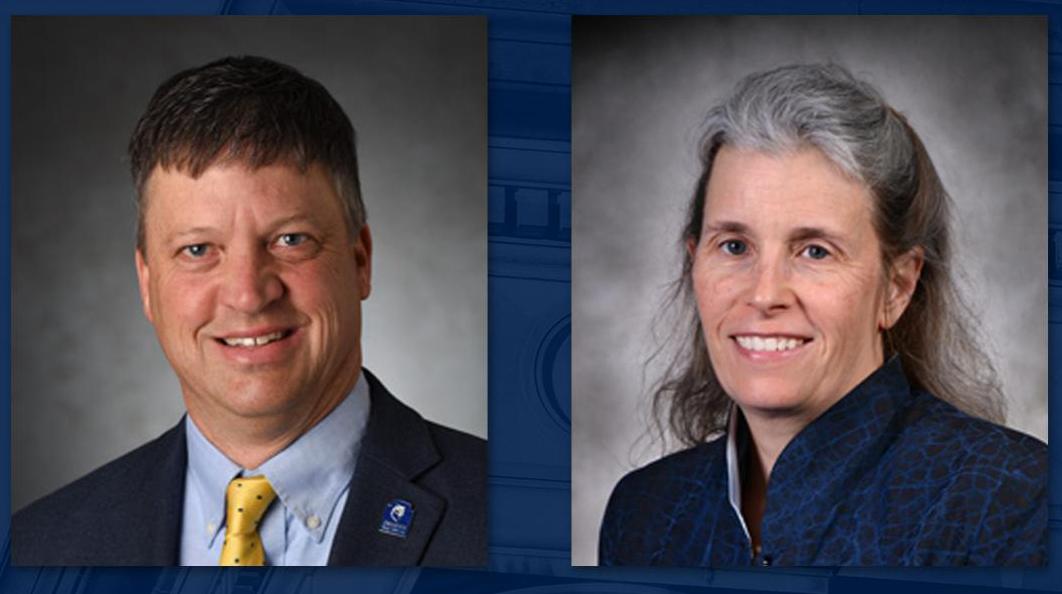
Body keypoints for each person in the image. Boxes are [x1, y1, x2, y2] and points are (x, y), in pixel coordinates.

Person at [13, 56, 486, 567]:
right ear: (147, 284)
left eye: (290, 240)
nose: (247, 294)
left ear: (360, 262)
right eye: (198, 250)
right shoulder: (37, 547)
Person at [598, 63, 1046, 567]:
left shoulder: (1016, 502)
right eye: (734, 245)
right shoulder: (644, 513)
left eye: (814, 251)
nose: (765, 294)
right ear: (693, 260)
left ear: (897, 286)